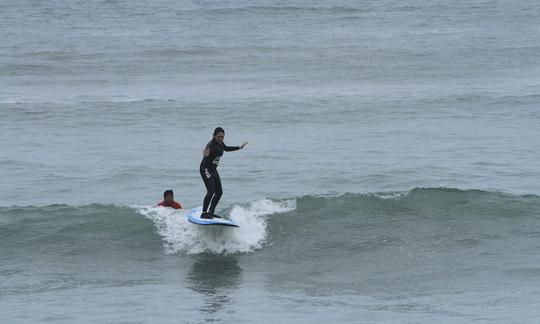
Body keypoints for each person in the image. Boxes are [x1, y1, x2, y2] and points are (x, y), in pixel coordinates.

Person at [200, 127, 247, 219]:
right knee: (211, 190)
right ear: (214, 136)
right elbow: (206, 153)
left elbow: (226, 148)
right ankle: (204, 212)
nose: (221, 139)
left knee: (219, 192)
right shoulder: (210, 145)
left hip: (213, 170)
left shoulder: (221, 144)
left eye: (222, 137)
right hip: (205, 169)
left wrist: (239, 147)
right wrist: (205, 155)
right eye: (218, 137)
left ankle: (211, 211)